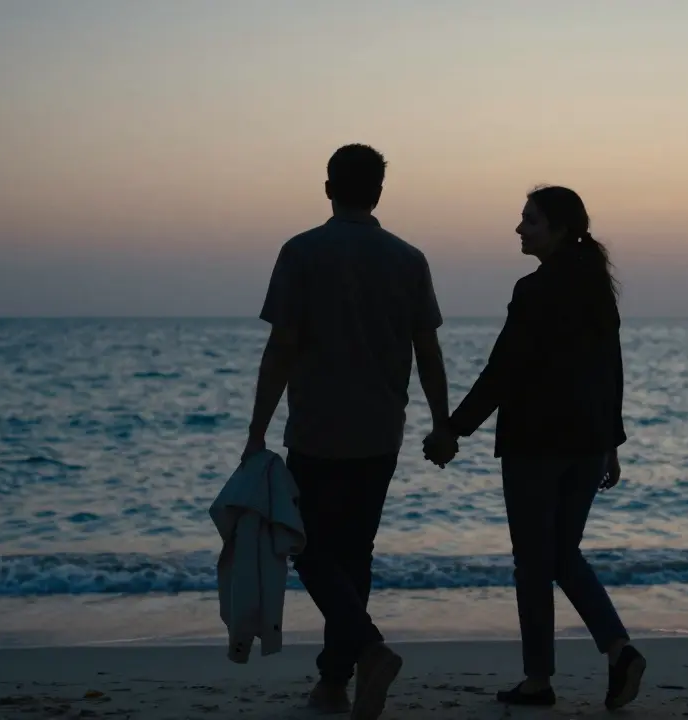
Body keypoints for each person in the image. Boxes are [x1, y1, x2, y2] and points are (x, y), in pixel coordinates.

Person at [243, 144, 456, 719]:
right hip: (381, 431)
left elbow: (282, 347)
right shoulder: (408, 259)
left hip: (316, 429)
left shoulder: (302, 251)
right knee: (354, 553)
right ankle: (335, 684)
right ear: (379, 193)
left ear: (328, 187)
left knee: (306, 546)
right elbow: (428, 348)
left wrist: (256, 431)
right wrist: (441, 422)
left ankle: (365, 650)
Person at [423, 185, 645, 711]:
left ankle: (539, 679)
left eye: (530, 220)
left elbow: (504, 369)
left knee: (534, 561)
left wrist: (452, 429)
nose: (520, 229)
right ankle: (618, 650)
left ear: (560, 228)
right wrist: (611, 442)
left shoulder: (535, 289)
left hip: (538, 445)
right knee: (562, 554)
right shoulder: (597, 289)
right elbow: (610, 370)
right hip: (588, 443)